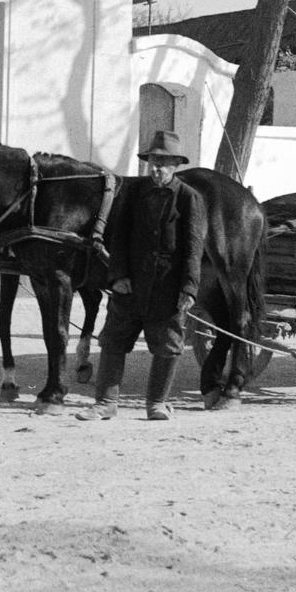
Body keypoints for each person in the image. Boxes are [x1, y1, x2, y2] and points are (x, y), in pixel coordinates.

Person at [83, 130, 206, 422]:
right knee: (113, 340)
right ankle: (105, 403)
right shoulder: (134, 193)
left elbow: (193, 248)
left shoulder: (189, 199)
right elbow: (119, 237)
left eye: (163, 162)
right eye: (152, 160)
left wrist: (188, 288)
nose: (156, 167)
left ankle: (157, 403)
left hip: (167, 288)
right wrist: (118, 276)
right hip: (130, 285)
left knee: (168, 345)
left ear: (176, 164)